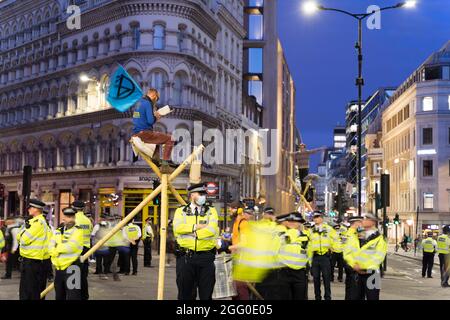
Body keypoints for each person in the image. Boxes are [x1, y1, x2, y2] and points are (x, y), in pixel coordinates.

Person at [173, 183, 219, 300]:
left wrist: (194, 234)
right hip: (186, 258)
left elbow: (212, 230)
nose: (204, 197)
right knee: (185, 295)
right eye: (201, 194)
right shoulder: (181, 211)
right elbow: (177, 228)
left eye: (204, 194)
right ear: (192, 195)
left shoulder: (211, 211)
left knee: (206, 295)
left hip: (206, 258)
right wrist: (194, 226)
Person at [130, 88, 175, 166]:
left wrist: (152, 115)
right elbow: (150, 121)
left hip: (136, 133)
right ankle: (165, 164)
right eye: (156, 99)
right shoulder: (148, 103)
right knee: (170, 139)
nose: (155, 101)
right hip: (145, 134)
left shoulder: (138, 103)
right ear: (154, 95)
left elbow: (138, 118)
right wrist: (157, 117)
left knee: (157, 141)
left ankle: (157, 161)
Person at [18, 199, 51, 300]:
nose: (28, 209)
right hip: (36, 261)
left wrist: (24, 229)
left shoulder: (37, 223)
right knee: (35, 291)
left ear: (36, 209)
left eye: (30, 207)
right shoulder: (38, 221)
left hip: (33, 262)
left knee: (29, 292)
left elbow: (22, 239)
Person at [48, 207, 84, 300]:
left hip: (72, 267)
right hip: (59, 268)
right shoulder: (58, 231)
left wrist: (56, 249)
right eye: (66, 217)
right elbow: (50, 246)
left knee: (73, 296)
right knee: (59, 295)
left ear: (73, 218)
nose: (65, 219)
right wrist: (55, 249)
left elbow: (71, 247)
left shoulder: (78, 231)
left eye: (69, 217)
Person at [352, 214, 387, 300]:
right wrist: (354, 264)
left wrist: (363, 267)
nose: (363, 220)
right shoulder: (358, 234)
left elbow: (379, 256)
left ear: (372, 222)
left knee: (372, 297)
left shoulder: (380, 238)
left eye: (366, 219)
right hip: (358, 272)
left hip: (373, 274)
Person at [276, 212, 310, 300]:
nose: (292, 223)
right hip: (284, 272)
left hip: (300, 273)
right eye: (290, 220)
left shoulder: (306, 237)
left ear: (300, 223)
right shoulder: (280, 234)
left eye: (295, 221)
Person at [309, 211, 338, 301]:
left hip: (325, 257)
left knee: (326, 278)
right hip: (315, 257)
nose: (316, 219)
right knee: (316, 279)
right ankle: (317, 297)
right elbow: (308, 246)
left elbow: (336, 240)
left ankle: (327, 297)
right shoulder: (311, 230)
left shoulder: (329, 229)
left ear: (322, 218)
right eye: (314, 217)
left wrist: (334, 249)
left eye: (318, 217)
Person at [231, 203, 253, 300]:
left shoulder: (243, 223)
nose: (230, 210)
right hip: (237, 256)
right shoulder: (237, 222)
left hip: (242, 257)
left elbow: (244, 242)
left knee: (240, 285)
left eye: (232, 208)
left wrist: (232, 247)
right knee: (235, 286)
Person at [72, 200, 92, 300]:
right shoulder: (87, 220)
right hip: (86, 248)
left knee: (75, 274)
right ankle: (84, 296)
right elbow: (90, 231)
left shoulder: (74, 219)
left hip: (76, 249)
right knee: (83, 274)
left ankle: (76, 296)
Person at [342, 216, 364, 300]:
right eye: (360, 223)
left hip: (357, 267)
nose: (362, 225)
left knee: (357, 292)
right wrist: (353, 265)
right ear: (356, 224)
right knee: (353, 293)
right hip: (353, 267)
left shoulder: (356, 235)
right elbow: (346, 253)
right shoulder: (348, 235)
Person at [91, 215, 111, 279]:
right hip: (106, 246)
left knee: (98, 260)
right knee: (106, 260)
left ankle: (99, 271)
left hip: (98, 246)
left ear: (101, 219)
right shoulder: (109, 226)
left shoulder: (97, 226)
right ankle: (105, 271)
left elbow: (92, 235)